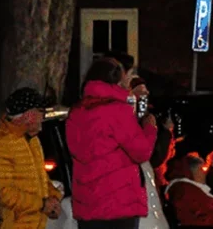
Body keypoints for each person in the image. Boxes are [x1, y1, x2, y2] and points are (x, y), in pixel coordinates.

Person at [67, 58, 159, 229]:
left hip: (87, 202)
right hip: (118, 201)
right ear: (117, 80)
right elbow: (141, 151)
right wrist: (150, 128)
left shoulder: (77, 112)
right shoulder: (117, 110)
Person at [0, 88, 62, 229]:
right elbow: (3, 193)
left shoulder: (33, 141)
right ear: (29, 115)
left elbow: (42, 180)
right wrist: (42, 204)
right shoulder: (0, 143)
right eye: (41, 112)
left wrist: (54, 197)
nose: (43, 117)